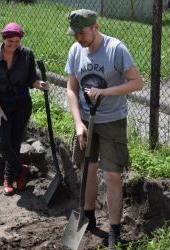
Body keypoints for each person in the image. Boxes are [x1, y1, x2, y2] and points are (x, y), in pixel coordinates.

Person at [65, 9, 143, 249]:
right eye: (75, 34)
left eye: (83, 33)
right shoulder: (76, 50)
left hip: (111, 120)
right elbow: (71, 89)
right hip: (87, 120)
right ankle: (88, 217)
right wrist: (78, 123)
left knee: (111, 175)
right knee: (87, 168)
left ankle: (115, 230)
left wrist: (106, 92)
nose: (79, 38)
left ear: (96, 27)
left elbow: (138, 83)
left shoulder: (116, 49)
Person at [0, 22, 48, 196]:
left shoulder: (26, 55)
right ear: (3, 39)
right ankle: (21, 170)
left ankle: (7, 178)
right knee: (2, 144)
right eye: (10, 41)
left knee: (14, 142)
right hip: (1, 104)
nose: (13, 45)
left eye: (17, 41)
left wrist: (40, 84)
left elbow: (31, 79)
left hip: (22, 104)